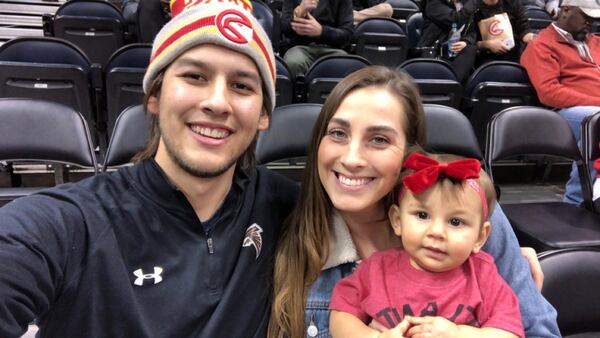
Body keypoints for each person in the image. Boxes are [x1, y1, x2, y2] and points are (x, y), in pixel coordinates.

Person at [0, 0, 300, 337]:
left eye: (242, 85)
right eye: (195, 76)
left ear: (263, 115)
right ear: (154, 95)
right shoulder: (69, 223)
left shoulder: (287, 207)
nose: (217, 102)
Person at [268, 66, 560, 338]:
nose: (352, 158)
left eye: (379, 139)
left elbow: (538, 331)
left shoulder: (478, 217)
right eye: (338, 133)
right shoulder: (278, 226)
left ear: (409, 152)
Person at [329, 152, 523, 338]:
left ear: (480, 238)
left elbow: (510, 332)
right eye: (422, 215)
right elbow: (340, 316)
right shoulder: (374, 269)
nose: (436, 232)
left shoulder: (483, 275)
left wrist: (459, 334)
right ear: (397, 220)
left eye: (455, 222)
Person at [520, 0, 600, 206]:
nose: (591, 23)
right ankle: (576, 201)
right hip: (565, 113)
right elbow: (549, 93)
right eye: (586, 18)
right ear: (565, 11)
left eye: (594, 19)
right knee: (597, 120)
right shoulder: (541, 45)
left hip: (592, 110)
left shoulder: (595, 42)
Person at [281, 0, 354, 79]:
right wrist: (299, 13)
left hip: (333, 48)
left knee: (344, 64)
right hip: (301, 47)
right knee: (293, 62)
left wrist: (322, 31)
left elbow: (347, 34)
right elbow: (284, 28)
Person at [475, 0, 535, 64]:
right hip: (486, 59)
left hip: (514, 55)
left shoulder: (512, 3)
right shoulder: (472, 7)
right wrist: (488, 44)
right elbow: (470, 42)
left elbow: (523, 28)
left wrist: (530, 37)